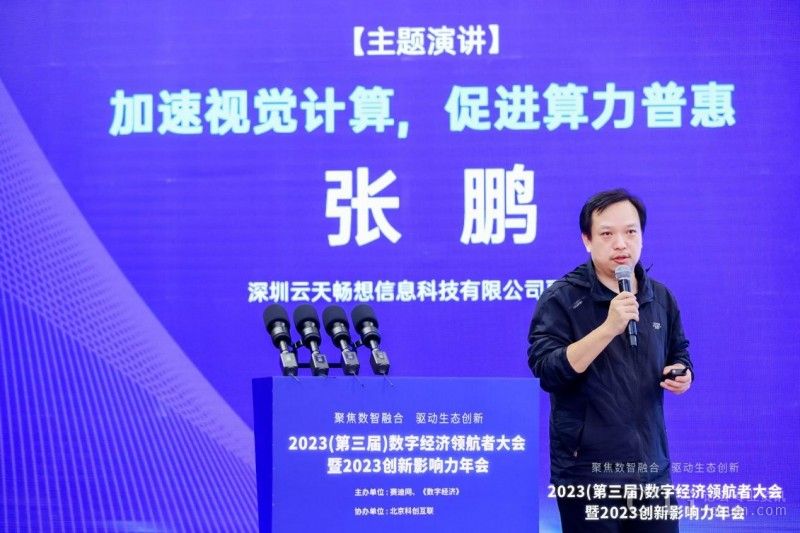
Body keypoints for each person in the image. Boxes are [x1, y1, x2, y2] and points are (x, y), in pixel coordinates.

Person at [528, 189, 693, 532]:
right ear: (587, 240)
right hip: (586, 474)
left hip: (650, 469)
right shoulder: (562, 298)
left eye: (630, 232)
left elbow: (679, 351)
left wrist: (683, 373)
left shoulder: (660, 297)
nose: (621, 244)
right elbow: (547, 370)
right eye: (607, 234)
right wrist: (608, 328)